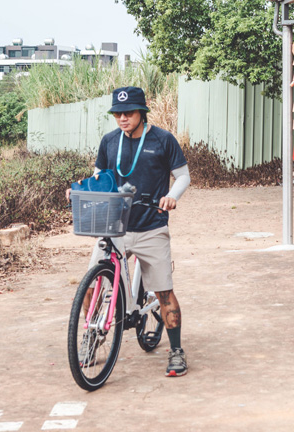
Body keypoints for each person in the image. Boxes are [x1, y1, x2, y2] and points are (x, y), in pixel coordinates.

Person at [67, 86, 191, 377]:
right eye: (118, 113)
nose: (122, 118)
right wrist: (79, 189)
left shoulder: (162, 140)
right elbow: (99, 178)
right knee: (89, 288)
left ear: (142, 112)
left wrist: (172, 196)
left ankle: (175, 350)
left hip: (151, 225)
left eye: (129, 113)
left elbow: (183, 175)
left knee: (164, 293)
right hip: (113, 227)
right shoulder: (109, 142)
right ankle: (92, 337)